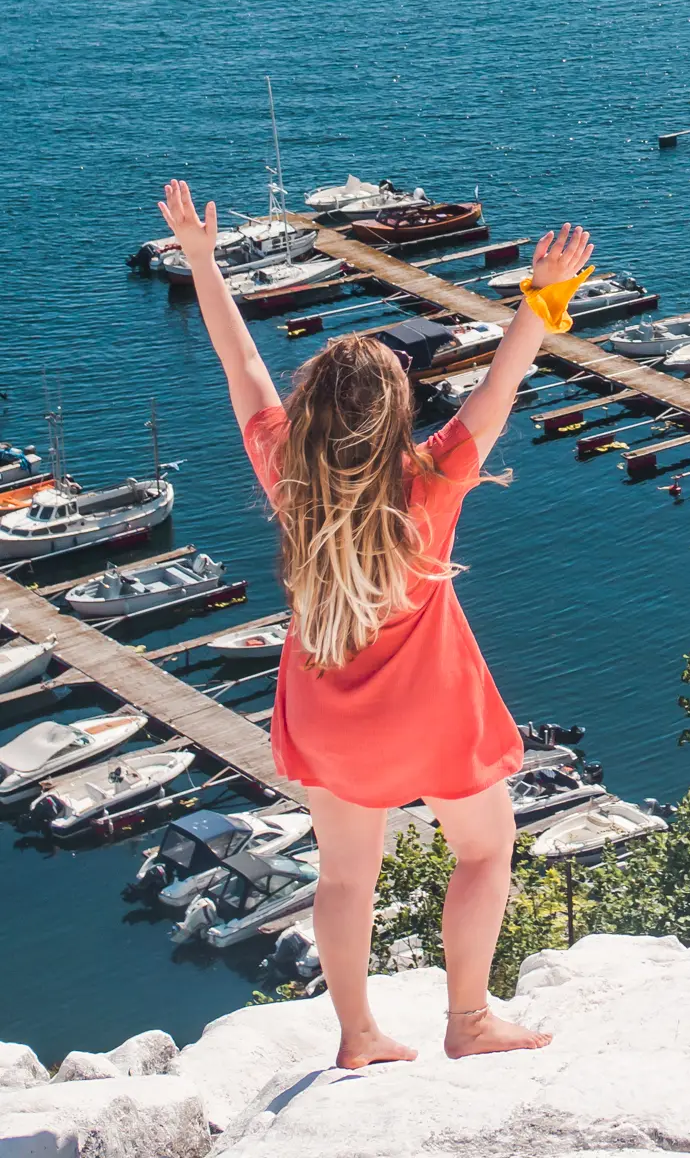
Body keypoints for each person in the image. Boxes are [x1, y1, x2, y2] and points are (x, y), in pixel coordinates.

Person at [156, 179, 593, 1069]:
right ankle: (467, 1019)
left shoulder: (287, 473)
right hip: (433, 710)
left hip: (327, 718)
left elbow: (243, 366)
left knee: (347, 874)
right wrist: (544, 296)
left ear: (313, 414)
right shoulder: (432, 483)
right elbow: (505, 381)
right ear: (401, 413)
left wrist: (203, 261)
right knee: (484, 850)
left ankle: (357, 1035)